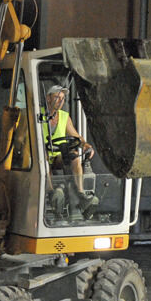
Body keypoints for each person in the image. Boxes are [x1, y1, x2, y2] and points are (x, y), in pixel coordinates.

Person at [43, 84, 98, 218]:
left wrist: (85, 145)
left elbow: (76, 136)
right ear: (48, 98)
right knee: (42, 158)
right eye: (57, 97)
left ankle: (81, 194)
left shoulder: (64, 117)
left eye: (62, 98)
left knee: (74, 156)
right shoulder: (37, 114)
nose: (60, 101)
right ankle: (51, 192)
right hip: (41, 156)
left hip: (58, 156)